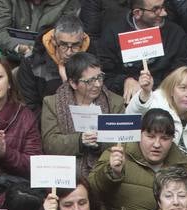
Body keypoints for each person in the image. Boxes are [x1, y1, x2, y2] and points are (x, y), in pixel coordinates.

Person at [90, 108, 187, 210]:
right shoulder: (117, 155)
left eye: (164, 138)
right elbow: (91, 190)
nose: (157, 144)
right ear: (140, 134)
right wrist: (112, 173)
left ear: (172, 139)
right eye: (151, 136)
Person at [40, 52, 127, 182]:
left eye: (100, 77)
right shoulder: (52, 103)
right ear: (73, 83)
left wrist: (100, 140)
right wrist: (80, 141)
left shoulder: (115, 103)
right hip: (66, 172)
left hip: (104, 170)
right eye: (90, 81)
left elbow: (122, 142)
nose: (97, 84)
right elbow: (50, 144)